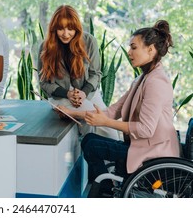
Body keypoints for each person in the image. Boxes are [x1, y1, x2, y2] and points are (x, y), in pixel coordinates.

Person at [56, 20, 180, 197]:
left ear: (151, 50)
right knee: (90, 140)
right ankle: (107, 190)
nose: (129, 53)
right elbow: (112, 111)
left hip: (154, 153)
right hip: (141, 145)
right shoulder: (142, 79)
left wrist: (106, 122)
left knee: (92, 146)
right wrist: (71, 112)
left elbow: (145, 129)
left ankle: (105, 192)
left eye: (133, 47)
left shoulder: (156, 82)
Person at [38, 5, 119, 139]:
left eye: (70, 28)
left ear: (76, 28)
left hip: (89, 92)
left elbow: (96, 74)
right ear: (54, 28)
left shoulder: (89, 41)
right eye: (60, 28)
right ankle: (88, 153)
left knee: (109, 130)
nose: (65, 33)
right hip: (61, 96)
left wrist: (84, 93)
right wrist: (68, 94)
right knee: (88, 122)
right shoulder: (45, 47)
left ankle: (112, 159)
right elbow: (44, 83)